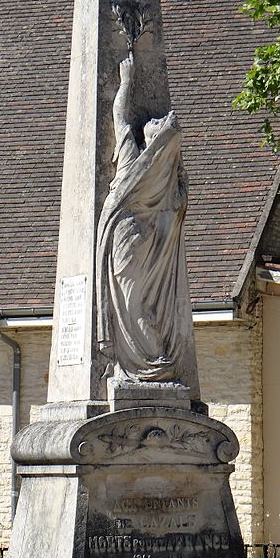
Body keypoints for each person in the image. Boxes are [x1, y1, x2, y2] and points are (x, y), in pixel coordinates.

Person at [96, 52, 199, 392]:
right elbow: (182, 199)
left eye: (155, 125)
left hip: (128, 236)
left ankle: (149, 364)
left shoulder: (133, 165)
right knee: (144, 300)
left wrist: (126, 83)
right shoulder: (167, 181)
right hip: (150, 237)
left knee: (132, 302)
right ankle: (154, 362)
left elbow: (120, 117)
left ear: (154, 143)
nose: (152, 121)